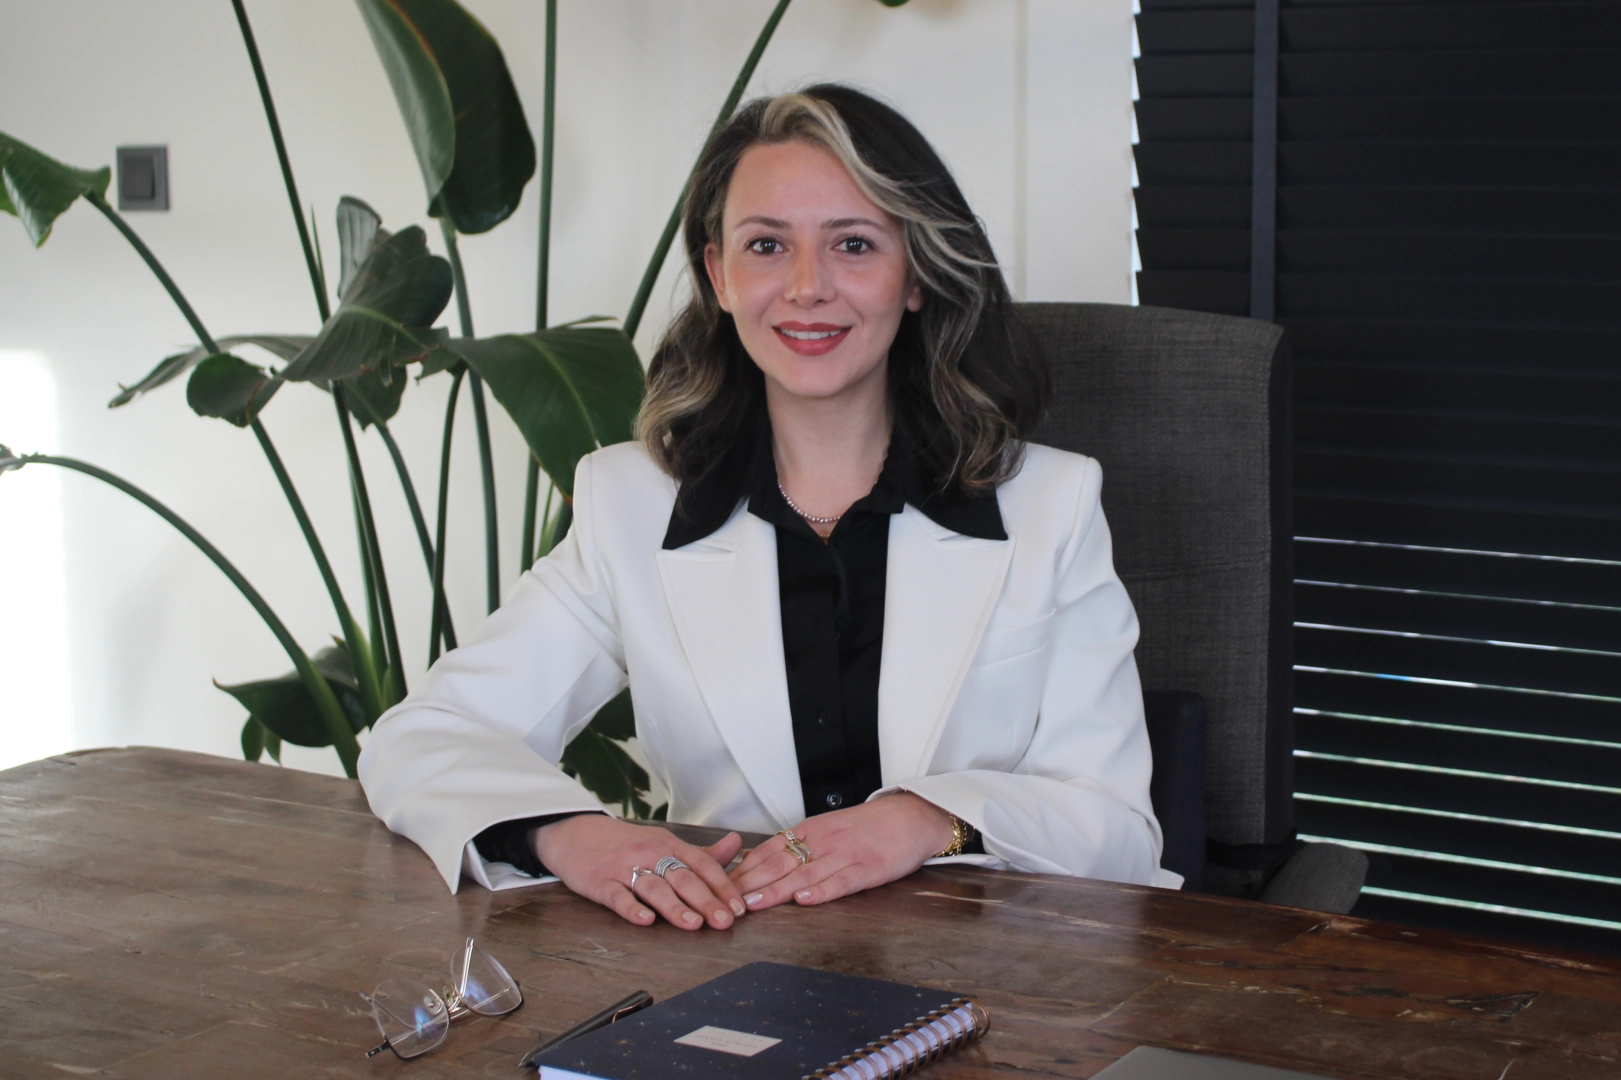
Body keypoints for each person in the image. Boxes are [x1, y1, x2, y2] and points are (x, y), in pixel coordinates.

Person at [359, 84, 1175, 934]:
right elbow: (424, 736)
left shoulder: (1050, 505)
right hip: (724, 955)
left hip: (986, 966)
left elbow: (1117, 832)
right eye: (766, 246)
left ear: (915, 275)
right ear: (719, 275)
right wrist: (572, 835)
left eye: (853, 244)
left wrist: (932, 820)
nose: (806, 287)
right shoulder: (629, 507)